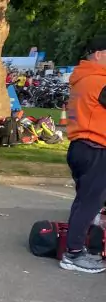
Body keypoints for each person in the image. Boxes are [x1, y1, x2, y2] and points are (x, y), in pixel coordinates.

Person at [60, 36, 106, 273]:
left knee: (84, 201)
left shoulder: (82, 79)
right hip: (94, 147)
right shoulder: (98, 82)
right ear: (99, 55)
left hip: (81, 146)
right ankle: (74, 254)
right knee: (90, 203)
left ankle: (77, 248)